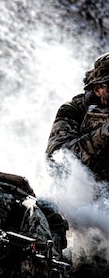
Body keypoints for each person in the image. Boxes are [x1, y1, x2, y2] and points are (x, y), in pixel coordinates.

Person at [46, 51, 109, 184]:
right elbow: (56, 161)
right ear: (98, 89)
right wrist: (101, 135)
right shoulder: (74, 111)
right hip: (85, 195)